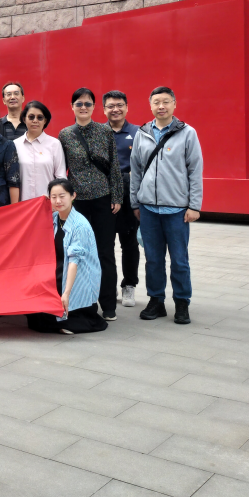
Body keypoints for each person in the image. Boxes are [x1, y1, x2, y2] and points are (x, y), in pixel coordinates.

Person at [131, 86, 203, 325]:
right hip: (148, 209)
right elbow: (136, 171)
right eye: (156, 102)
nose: (161, 106)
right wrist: (135, 202)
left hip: (177, 210)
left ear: (174, 104)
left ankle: (182, 302)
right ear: (150, 105)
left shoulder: (187, 133)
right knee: (153, 259)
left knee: (179, 260)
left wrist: (194, 205)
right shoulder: (142, 133)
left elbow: (195, 171)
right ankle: (156, 300)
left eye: (165, 101)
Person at [58, 87, 124, 322]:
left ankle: (108, 304)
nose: (83, 107)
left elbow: (114, 166)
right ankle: (84, 302)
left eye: (87, 103)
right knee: (79, 253)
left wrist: (117, 197)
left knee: (105, 252)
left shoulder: (104, 132)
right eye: (79, 103)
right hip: (78, 204)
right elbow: (62, 169)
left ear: (94, 107)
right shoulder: (65, 134)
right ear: (72, 107)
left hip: (103, 200)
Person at [26, 178, 107, 335]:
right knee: (36, 319)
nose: (58, 201)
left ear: (73, 196)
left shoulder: (80, 225)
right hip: (59, 270)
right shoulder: (54, 218)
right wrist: (41, 203)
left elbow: (74, 262)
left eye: (62, 196)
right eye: (54, 197)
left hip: (78, 275)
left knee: (59, 320)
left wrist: (66, 293)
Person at [103, 90, 140, 308]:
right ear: (104, 109)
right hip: (104, 196)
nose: (115, 109)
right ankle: (108, 286)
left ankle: (129, 285)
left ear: (127, 107)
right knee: (105, 245)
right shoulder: (98, 132)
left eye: (119, 105)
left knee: (129, 244)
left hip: (129, 196)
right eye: (110, 106)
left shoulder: (138, 133)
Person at [14, 101, 66, 201]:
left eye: (40, 117)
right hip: (23, 204)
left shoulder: (54, 144)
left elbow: (61, 177)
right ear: (24, 119)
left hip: (47, 203)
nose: (35, 120)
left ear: (45, 120)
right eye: (31, 117)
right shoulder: (15, 145)